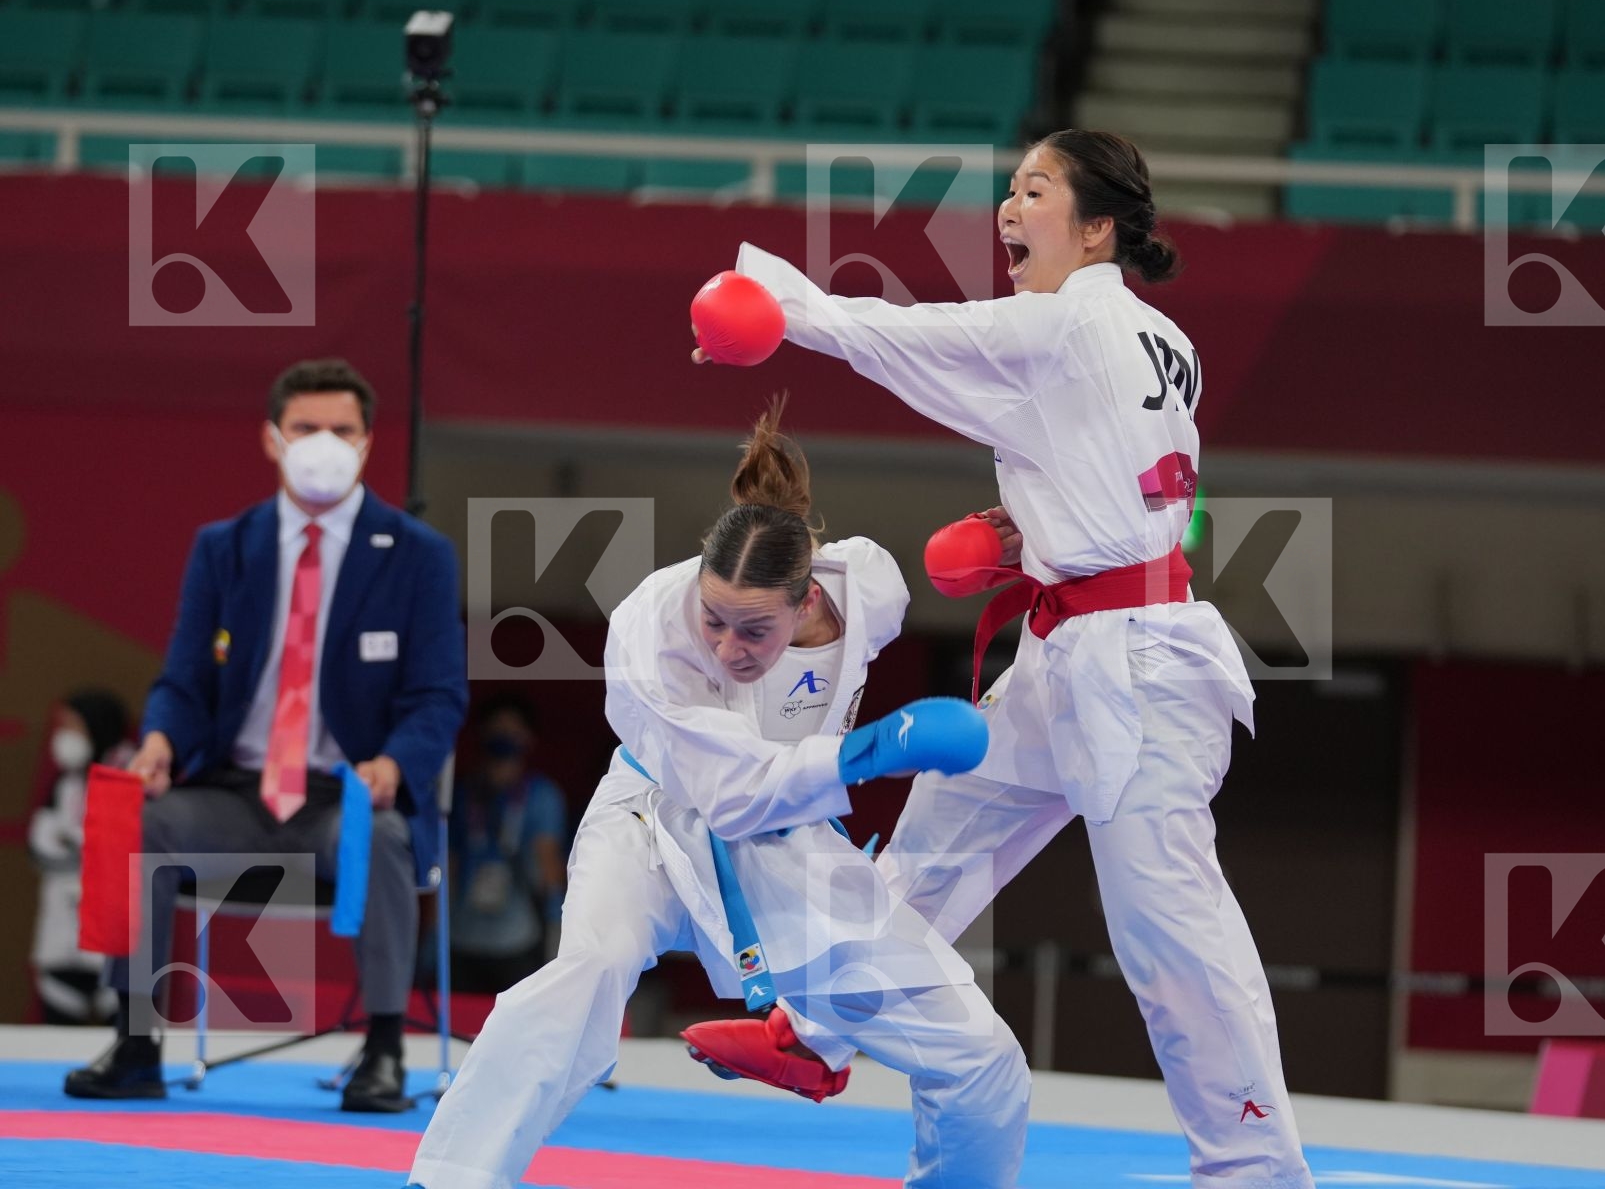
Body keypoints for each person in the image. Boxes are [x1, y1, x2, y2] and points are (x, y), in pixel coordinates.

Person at [684, 130, 1315, 1189]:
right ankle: (819, 1034)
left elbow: (907, 337)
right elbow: (1133, 478)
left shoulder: (1066, 321)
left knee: (1170, 933)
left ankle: (1256, 1170)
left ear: (1097, 224)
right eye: (1009, 189)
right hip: (1069, 645)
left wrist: (780, 310)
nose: (1008, 209)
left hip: (1137, 667)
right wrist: (1033, 530)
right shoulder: (1161, 338)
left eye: (1034, 191)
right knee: (932, 843)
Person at [408, 400, 1029, 1189]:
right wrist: (874, 750)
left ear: (806, 600)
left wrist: (1019, 540)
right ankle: (451, 1177)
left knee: (976, 1053)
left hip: (792, 851)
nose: (727, 647)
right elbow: (732, 796)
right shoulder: (650, 628)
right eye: (715, 619)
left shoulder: (868, 584)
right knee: (586, 974)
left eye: (753, 631)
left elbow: (773, 801)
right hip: (650, 824)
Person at [62, 358, 468, 1113]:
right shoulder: (225, 547)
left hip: (344, 800)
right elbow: (185, 680)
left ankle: (382, 1050)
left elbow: (438, 696)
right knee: (140, 823)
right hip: (236, 794)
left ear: (368, 443)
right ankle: (136, 1042)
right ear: (272, 439)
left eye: (341, 431)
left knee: (384, 838)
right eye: (305, 428)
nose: (324, 445)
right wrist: (160, 745)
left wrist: (392, 765)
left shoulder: (418, 556)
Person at [446, 694, 569, 994]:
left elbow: (550, 872)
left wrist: (557, 935)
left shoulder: (542, 796)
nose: (504, 737)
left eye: (513, 730)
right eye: (497, 728)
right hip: (462, 935)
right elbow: (449, 863)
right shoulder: (462, 793)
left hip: (519, 937)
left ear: (528, 738)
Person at [29, 689, 135, 1025]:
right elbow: (42, 842)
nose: (64, 736)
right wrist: (78, 845)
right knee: (58, 1025)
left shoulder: (132, 771)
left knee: (120, 1033)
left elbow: (121, 843)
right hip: (63, 931)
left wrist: (77, 842)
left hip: (113, 932)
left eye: (72, 726)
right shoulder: (67, 782)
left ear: (96, 725)